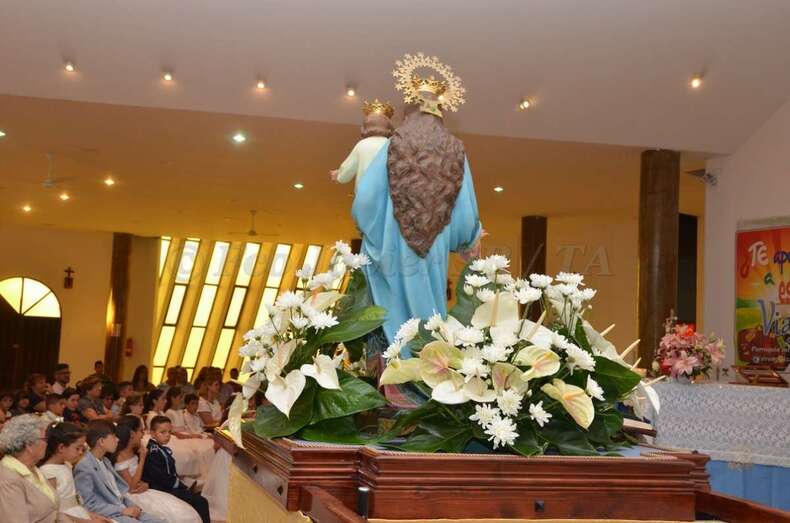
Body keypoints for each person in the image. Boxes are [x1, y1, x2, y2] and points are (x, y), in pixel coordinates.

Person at [113, 416, 201, 523]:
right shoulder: (120, 456)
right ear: (132, 434)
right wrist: (142, 458)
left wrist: (146, 484)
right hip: (133, 496)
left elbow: (142, 476)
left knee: (182, 509)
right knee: (174, 514)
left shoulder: (136, 448)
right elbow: (131, 487)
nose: (143, 434)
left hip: (142, 489)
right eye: (141, 431)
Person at [74, 420, 165, 523]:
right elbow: (88, 504)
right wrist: (122, 510)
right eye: (114, 437)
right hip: (110, 514)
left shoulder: (105, 460)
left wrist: (133, 507)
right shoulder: (84, 466)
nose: (118, 440)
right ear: (101, 441)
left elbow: (117, 493)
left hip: (123, 507)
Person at [141, 416, 210, 523]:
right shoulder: (154, 452)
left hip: (166, 485)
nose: (167, 435)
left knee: (198, 495)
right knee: (201, 501)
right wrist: (182, 487)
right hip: (161, 489)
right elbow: (162, 478)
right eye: (163, 432)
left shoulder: (158, 448)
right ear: (152, 433)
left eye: (169, 432)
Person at [40, 421, 110, 522]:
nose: (81, 452)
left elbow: (74, 500)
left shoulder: (67, 465)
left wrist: (91, 515)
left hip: (78, 512)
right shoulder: (48, 472)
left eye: (82, 448)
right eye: (77, 448)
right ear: (61, 447)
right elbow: (53, 510)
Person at [0, 414, 59, 521]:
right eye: (44, 439)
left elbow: (53, 513)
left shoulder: (33, 469)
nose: (47, 444)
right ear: (29, 445)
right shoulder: (8, 479)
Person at [331, 99, 394, 191]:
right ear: (388, 127)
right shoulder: (392, 144)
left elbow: (348, 168)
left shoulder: (362, 144)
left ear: (365, 127)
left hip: (365, 192)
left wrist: (339, 175)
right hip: (388, 192)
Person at [145, 389, 201, 482]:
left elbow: (170, 428)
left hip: (168, 437)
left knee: (190, 453)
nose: (165, 401)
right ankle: (177, 477)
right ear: (154, 401)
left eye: (165, 399)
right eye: (163, 399)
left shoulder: (161, 413)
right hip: (160, 441)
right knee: (183, 454)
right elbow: (160, 432)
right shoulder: (152, 415)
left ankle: (183, 478)